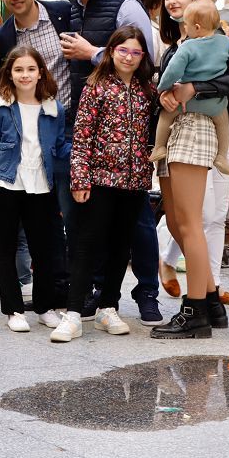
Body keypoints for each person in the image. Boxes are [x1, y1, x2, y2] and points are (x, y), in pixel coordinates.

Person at [58, 0, 161, 325]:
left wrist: (93, 53)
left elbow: (143, 59)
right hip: (91, 142)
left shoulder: (124, 4)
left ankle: (146, 292)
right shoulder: (70, 7)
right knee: (90, 229)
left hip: (132, 167)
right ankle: (98, 299)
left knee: (135, 227)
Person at [150, 0, 229, 339]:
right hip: (173, 133)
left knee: (190, 221)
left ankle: (194, 313)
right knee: (176, 221)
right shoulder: (176, 42)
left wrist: (194, 87)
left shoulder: (214, 39)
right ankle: (209, 302)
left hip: (196, 128)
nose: (173, 0)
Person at [51, 27, 155, 343]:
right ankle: (72, 314)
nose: (129, 57)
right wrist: (80, 178)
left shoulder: (145, 90)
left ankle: (108, 306)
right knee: (86, 243)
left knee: (121, 245)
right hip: (99, 180)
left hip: (134, 181)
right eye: (123, 50)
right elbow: (81, 136)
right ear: (111, 51)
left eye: (136, 52)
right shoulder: (96, 87)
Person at [0, 46, 68, 333]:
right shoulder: (0, 110)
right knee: (6, 244)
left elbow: (58, 147)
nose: (25, 75)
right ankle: (14, 309)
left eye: (31, 69)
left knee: (44, 247)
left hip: (41, 183)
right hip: (6, 183)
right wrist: (2, 171)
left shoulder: (54, 109)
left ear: (41, 72)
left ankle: (44, 307)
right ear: (10, 74)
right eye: (18, 69)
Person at [150, 0, 229, 176]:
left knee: (166, 115)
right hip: (215, 103)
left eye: (186, 25)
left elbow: (173, 71)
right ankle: (222, 157)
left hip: (186, 102)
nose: (184, 29)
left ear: (196, 27)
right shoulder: (224, 42)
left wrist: (163, 89)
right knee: (223, 122)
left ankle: (158, 147)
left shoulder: (187, 47)